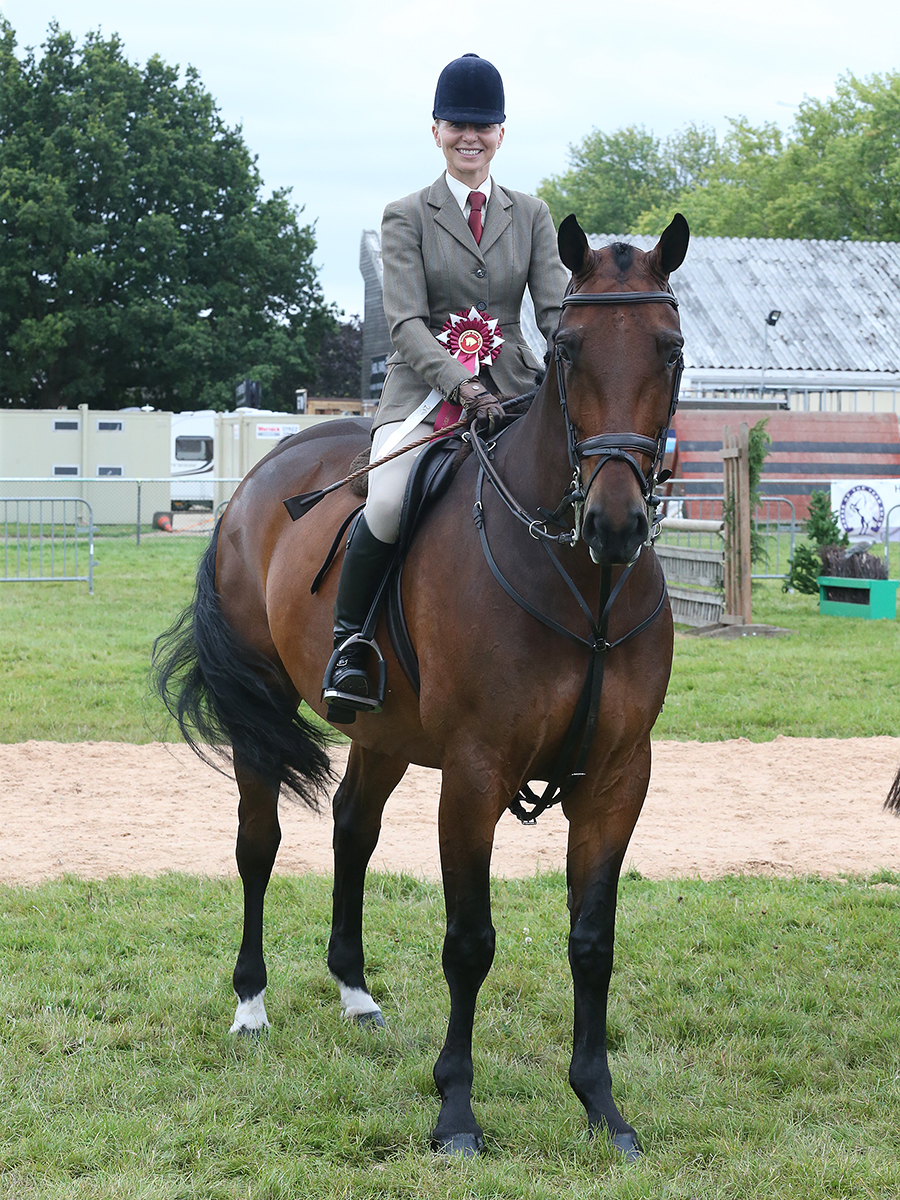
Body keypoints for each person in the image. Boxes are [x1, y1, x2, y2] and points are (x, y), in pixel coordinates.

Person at [323, 52, 568, 718]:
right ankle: (350, 647)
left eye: (483, 126)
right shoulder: (407, 214)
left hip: (514, 389)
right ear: (435, 130)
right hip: (425, 393)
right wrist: (464, 387)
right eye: (458, 124)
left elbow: (554, 314)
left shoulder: (532, 214)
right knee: (388, 501)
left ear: (501, 133)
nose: (470, 137)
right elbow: (405, 324)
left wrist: (575, 361)